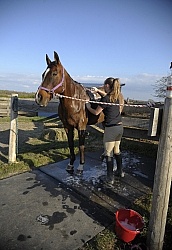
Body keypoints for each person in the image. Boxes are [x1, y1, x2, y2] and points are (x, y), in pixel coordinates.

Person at [86, 77, 124, 184]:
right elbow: (106, 96)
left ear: (107, 86)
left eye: (104, 86)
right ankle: (120, 171)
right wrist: (97, 91)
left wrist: (88, 106)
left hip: (111, 129)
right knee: (116, 150)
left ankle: (110, 178)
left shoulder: (106, 99)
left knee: (108, 153)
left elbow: (96, 112)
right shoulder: (115, 96)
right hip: (119, 128)